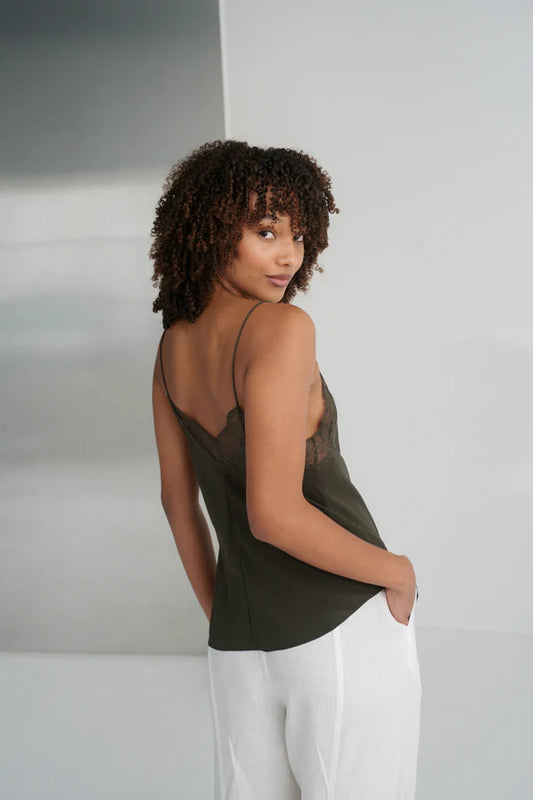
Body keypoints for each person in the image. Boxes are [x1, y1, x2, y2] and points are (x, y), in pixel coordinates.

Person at [150, 139, 421, 800]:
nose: (289, 255)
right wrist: (398, 571)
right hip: (338, 623)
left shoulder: (171, 347)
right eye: (266, 232)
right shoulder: (281, 327)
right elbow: (272, 513)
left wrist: (225, 614)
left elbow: (177, 503)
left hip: (238, 643)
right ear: (212, 228)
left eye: (299, 236)